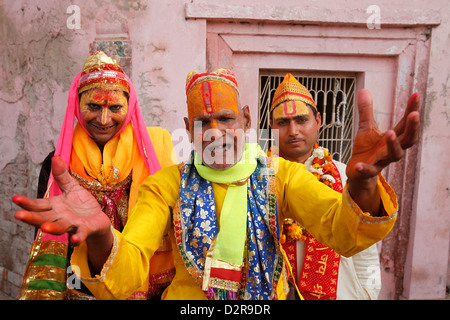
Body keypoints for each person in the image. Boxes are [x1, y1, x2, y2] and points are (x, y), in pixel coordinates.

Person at [13, 68, 420, 300]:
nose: (214, 132)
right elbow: (131, 261)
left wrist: (366, 186)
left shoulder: (281, 174)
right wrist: (102, 234)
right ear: (189, 129)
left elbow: (341, 231)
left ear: (245, 119)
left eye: (225, 119)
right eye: (203, 123)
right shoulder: (166, 185)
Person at [17, 51, 176, 300]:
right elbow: (49, 232)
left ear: (130, 106)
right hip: (77, 290)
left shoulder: (151, 155)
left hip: (140, 288)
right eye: (93, 106)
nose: (104, 119)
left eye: (115, 107)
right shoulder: (57, 165)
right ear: (77, 105)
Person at [270, 73, 381, 300]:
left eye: (301, 120)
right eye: (283, 122)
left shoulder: (345, 176)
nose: (293, 131)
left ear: (318, 120)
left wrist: (368, 293)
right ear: (271, 126)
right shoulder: (259, 179)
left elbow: (366, 251)